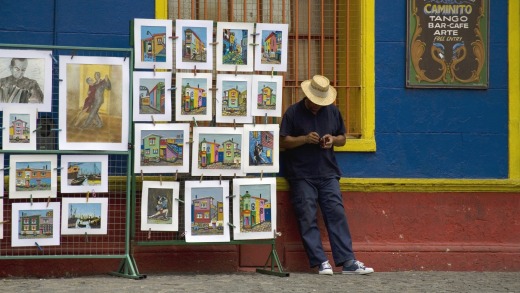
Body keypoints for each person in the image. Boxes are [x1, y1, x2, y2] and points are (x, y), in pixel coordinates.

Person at [279, 75, 374, 275]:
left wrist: (332, 140)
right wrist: (304, 139)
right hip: (301, 174)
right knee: (307, 215)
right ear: (307, 95)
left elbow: (342, 138)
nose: (317, 105)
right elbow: (282, 142)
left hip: (328, 172)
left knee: (336, 213)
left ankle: (348, 261)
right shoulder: (293, 112)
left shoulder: (332, 111)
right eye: (314, 101)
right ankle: (320, 261)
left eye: (320, 101)